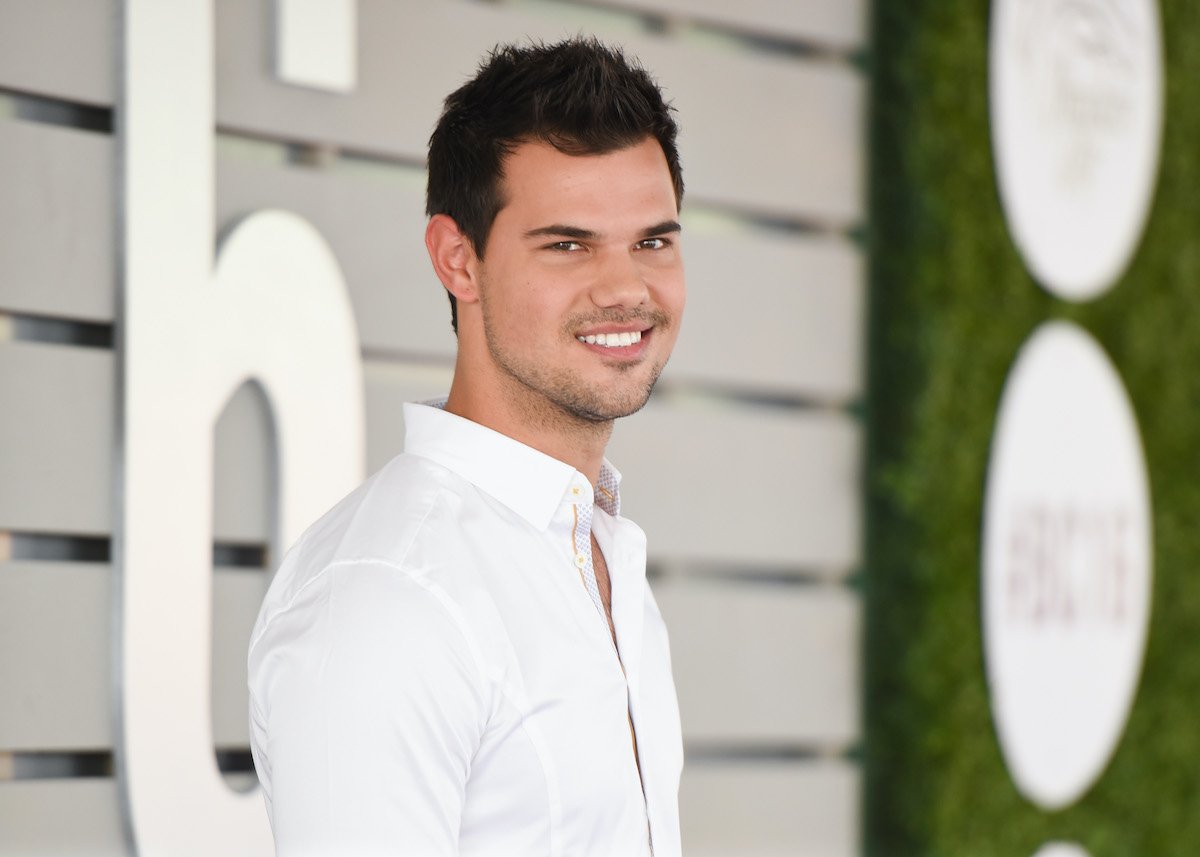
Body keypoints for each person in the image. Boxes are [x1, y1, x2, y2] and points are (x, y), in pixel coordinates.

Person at [248, 36, 686, 856]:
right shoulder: (386, 601)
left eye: (652, 241)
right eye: (569, 244)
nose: (626, 287)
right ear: (459, 259)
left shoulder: (600, 552)